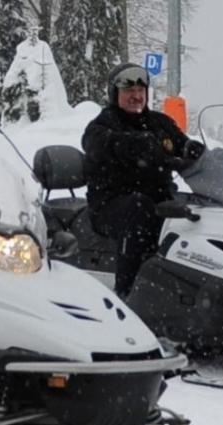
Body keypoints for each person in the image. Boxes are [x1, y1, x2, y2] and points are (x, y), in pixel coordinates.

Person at [81, 62, 205, 298]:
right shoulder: (101, 127)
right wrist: (140, 148)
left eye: (141, 91)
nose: (136, 96)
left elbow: (181, 144)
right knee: (139, 208)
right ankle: (127, 293)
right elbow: (100, 145)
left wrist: (199, 153)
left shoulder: (160, 123)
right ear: (114, 93)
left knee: (197, 211)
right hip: (111, 205)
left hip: (158, 200)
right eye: (129, 91)